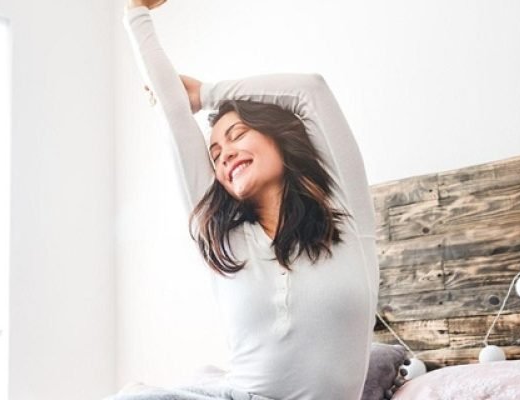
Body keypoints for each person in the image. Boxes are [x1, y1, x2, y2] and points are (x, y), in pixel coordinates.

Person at [113, 0, 381, 399]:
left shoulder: (347, 219)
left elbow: (311, 90)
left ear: (278, 139)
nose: (226, 155)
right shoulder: (226, 241)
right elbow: (172, 113)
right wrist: (136, 13)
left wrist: (207, 94)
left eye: (237, 136)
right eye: (216, 154)